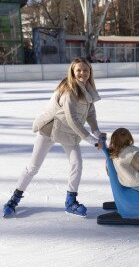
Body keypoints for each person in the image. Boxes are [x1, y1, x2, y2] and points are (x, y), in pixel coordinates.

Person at [3, 57, 106, 218]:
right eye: (78, 70)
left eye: (85, 70)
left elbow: (90, 114)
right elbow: (72, 119)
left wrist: (97, 131)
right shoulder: (69, 91)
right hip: (50, 129)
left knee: (76, 164)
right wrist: (92, 140)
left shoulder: (88, 89)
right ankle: (14, 199)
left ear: (90, 72)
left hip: (69, 133)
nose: (82, 73)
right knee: (33, 167)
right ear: (73, 71)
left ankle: (70, 202)